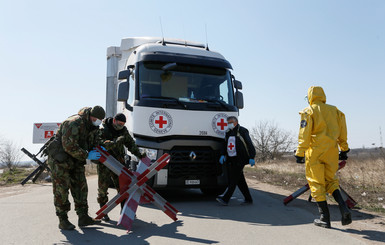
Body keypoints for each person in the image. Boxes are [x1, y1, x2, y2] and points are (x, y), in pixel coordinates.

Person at [295, 86, 351, 228]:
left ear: (310, 97)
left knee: (316, 183)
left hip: (315, 152)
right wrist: (344, 149)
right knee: (331, 181)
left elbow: (304, 134)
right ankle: (343, 207)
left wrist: (300, 153)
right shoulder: (336, 111)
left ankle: (324, 218)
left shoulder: (308, 111)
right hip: (331, 152)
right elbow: (343, 131)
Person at [46, 106, 105, 230]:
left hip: (76, 160)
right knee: (61, 189)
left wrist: (99, 148)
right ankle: (63, 220)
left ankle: (83, 217)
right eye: (95, 119)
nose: (97, 121)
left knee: (81, 187)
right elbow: (68, 145)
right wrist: (87, 155)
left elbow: (94, 142)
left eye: (99, 120)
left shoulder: (93, 127)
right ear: (89, 116)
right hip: (60, 160)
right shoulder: (73, 123)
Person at [96, 113, 145, 221]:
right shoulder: (102, 129)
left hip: (118, 162)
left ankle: (125, 211)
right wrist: (114, 143)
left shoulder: (123, 131)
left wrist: (140, 155)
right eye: (119, 123)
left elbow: (130, 144)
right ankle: (104, 211)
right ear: (114, 120)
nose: (120, 126)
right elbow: (99, 144)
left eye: (123, 124)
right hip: (105, 162)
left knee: (123, 187)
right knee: (103, 188)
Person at [216, 116, 256, 205]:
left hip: (240, 159)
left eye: (229, 123)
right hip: (231, 159)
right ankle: (248, 199)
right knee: (240, 180)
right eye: (227, 123)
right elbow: (225, 144)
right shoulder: (228, 132)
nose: (227, 124)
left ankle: (226, 199)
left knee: (233, 179)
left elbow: (249, 144)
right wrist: (223, 155)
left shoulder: (243, 131)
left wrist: (251, 157)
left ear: (235, 122)